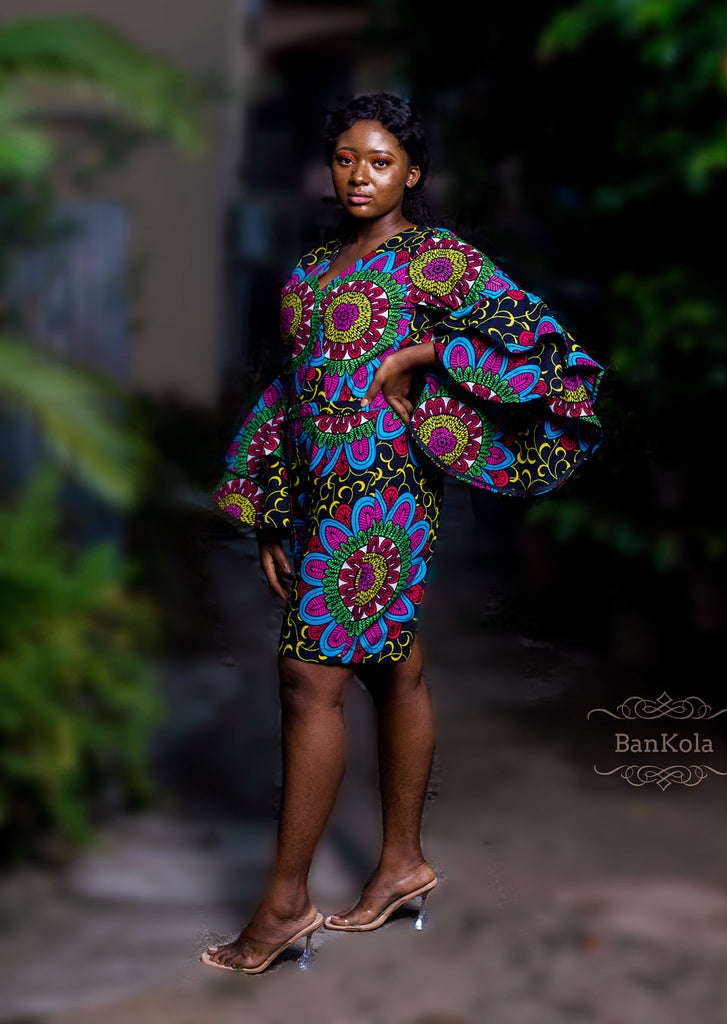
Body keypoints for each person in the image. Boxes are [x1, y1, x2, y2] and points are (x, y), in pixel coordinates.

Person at [203, 92, 603, 973]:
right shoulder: (309, 273)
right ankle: (402, 866)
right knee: (394, 668)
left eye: (379, 161)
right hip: (318, 493)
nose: (359, 176)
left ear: (411, 173)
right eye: (345, 158)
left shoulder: (437, 261)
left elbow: (545, 348)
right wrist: (271, 512)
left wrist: (428, 355)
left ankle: (283, 907)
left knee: (307, 679)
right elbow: (290, 396)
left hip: (383, 500)